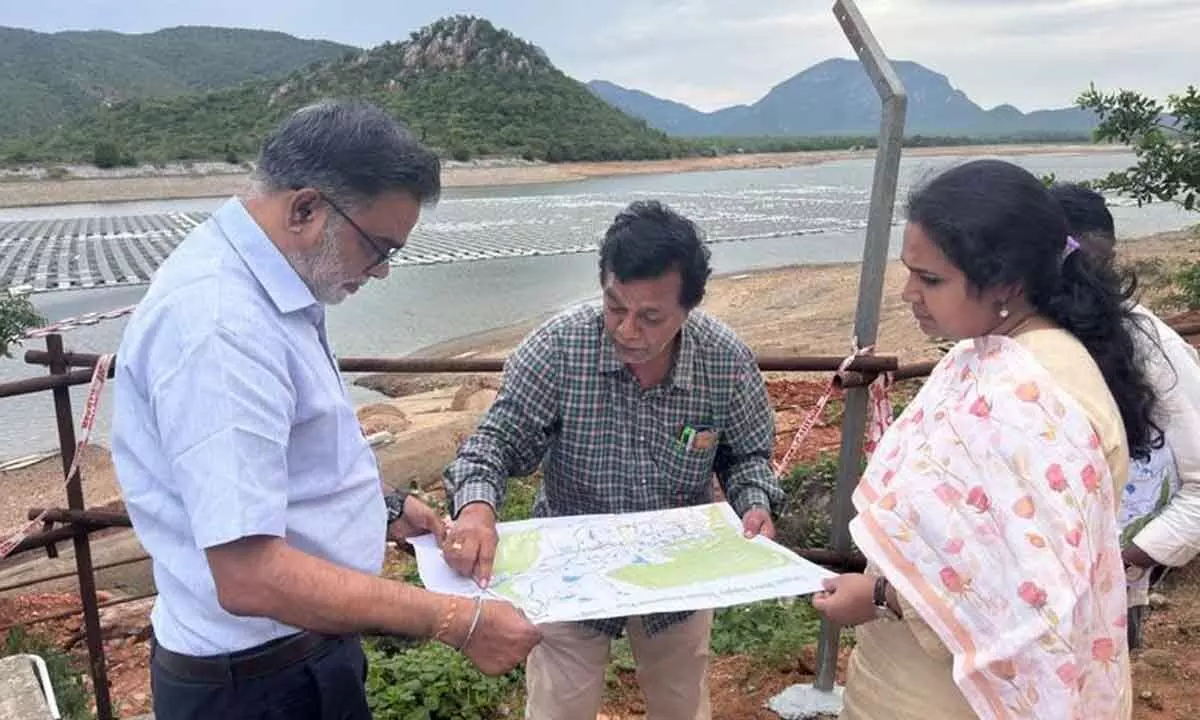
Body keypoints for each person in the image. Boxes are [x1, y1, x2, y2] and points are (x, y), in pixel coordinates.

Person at [111, 100, 541, 720]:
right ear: (307, 208)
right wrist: (455, 619)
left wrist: (384, 507)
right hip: (258, 688)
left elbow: (282, 462)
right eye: (378, 246)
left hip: (297, 659)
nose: (384, 271)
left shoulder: (267, 284)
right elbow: (250, 575)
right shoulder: (221, 326)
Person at [811, 159, 1160, 719]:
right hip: (912, 673)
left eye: (930, 279)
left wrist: (879, 597)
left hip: (958, 697)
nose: (907, 294)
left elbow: (1026, 594)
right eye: (909, 272)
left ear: (1006, 283)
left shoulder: (1029, 399)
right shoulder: (989, 358)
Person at [441, 199, 784, 720]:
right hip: (570, 565)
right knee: (558, 707)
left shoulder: (725, 360)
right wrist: (476, 508)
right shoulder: (559, 349)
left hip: (680, 571)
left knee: (682, 705)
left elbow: (747, 455)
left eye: (651, 317)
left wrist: (754, 502)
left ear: (689, 306)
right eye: (614, 306)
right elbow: (494, 443)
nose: (627, 330)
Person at [1050, 182, 1200, 648]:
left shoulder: (1148, 344)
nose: (1087, 282)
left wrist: (1125, 560)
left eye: (1096, 264)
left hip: (1105, 591)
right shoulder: (1012, 339)